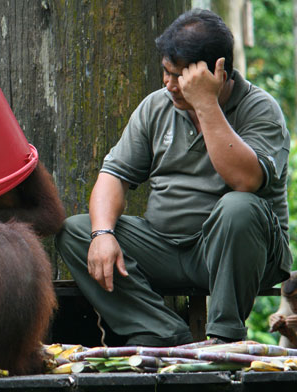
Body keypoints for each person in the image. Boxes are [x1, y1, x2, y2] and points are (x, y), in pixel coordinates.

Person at [56, 9, 291, 346]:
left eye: (178, 76)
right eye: (165, 72)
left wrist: (206, 105)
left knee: (239, 207)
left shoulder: (260, 109)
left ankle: (224, 338)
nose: (168, 84)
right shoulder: (157, 106)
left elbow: (246, 181)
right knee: (75, 232)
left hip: (235, 251)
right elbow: (113, 175)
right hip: (164, 246)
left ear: (216, 72)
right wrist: (102, 233)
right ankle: (163, 332)